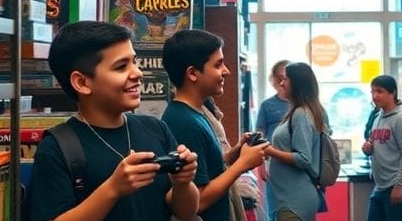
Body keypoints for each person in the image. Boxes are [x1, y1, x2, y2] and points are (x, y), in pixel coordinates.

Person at [30, 21, 200, 220]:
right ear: (82, 82)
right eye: (121, 67)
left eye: (134, 62)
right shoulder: (56, 148)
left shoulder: (156, 128)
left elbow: (185, 212)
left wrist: (183, 182)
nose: (138, 73)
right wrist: (113, 189)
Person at [161, 30, 269, 221]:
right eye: (218, 64)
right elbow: (198, 201)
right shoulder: (184, 122)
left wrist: (234, 155)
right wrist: (242, 164)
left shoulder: (196, 114)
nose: (226, 71)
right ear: (192, 73)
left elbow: (206, 170)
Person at [263, 62, 329, 221]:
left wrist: (270, 151)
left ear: (297, 83)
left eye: (285, 79)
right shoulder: (300, 112)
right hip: (288, 198)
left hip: (294, 201)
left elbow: (303, 158)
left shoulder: (301, 114)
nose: (281, 83)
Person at [364, 75, 402, 221]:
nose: (374, 96)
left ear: (392, 93)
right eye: (372, 91)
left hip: (398, 185)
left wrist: (399, 185)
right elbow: (379, 146)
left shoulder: (401, 119)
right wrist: (368, 149)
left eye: (379, 91)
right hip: (380, 186)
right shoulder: (377, 118)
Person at [256, 59, 292, 211]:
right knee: (275, 209)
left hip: (297, 162)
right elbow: (259, 135)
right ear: (274, 79)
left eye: (286, 77)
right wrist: (261, 165)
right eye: (279, 77)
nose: (282, 81)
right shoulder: (267, 105)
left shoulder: (303, 105)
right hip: (273, 162)